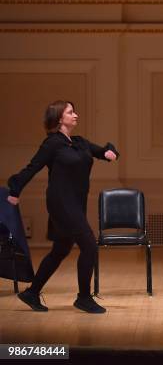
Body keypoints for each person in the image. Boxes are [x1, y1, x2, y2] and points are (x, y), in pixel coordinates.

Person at [8, 100, 119, 314]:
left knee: (60, 249)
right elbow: (33, 167)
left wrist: (108, 153)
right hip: (61, 202)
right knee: (89, 246)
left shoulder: (79, 142)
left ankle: (32, 292)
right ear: (60, 118)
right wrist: (15, 190)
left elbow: (101, 151)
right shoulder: (52, 144)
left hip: (76, 202)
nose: (75, 115)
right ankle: (84, 298)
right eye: (70, 112)